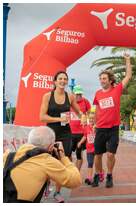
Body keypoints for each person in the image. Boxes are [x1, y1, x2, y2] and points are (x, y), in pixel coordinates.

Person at [3, 126, 81, 202]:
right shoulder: (46, 160)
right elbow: (75, 181)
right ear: (51, 147)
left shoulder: (7, 155)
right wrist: (63, 157)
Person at [39, 71, 85, 202]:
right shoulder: (48, 96)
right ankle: (46, 184)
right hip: (50, 133)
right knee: (47, 160)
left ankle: (57, 192)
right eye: (60, 78)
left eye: (65, 79)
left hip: (65, 133)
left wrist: (84, 117)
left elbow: (78, 111)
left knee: (62, 161)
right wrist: (58, 118)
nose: (63, 81)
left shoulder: (70, 96)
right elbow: (42, 117)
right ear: (55, 81)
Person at [92, 53, 132, 188]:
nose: (102, 81)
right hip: (100, 128)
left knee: (110, 154)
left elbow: (128, 76)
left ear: (110, 80)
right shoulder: (97, 94)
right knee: (98, 155)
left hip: (114, 128)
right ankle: (97, 174)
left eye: (104, 78)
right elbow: (97, 110)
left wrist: (127, 61)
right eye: (100, 79)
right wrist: (94, 124)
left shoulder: (117, 90)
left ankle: (109, 175)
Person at [70, 85, 91, 171]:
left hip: (81, 133)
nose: (79, 96)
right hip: (70, 132)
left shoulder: (85, 101)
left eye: (80, 94)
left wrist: (87, 122)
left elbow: (90, 113)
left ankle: (76, 172)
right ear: (73, 94)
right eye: (77, 94)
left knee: (79, 154)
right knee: (67, 154)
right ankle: (71, 170)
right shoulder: (69, 102)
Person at [77, 109, 101, 186]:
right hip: (89, 149)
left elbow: (101, 137)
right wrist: (80, 142)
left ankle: (101, 173)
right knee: (90, 163)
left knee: (98, 163)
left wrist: (96, 130)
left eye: (93, 119)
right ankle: (90, 178)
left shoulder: (98, 128)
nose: (91, 120)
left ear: (95, 119)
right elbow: (85, 136)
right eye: (90, 118)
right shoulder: (86, 127)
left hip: (97, 149)